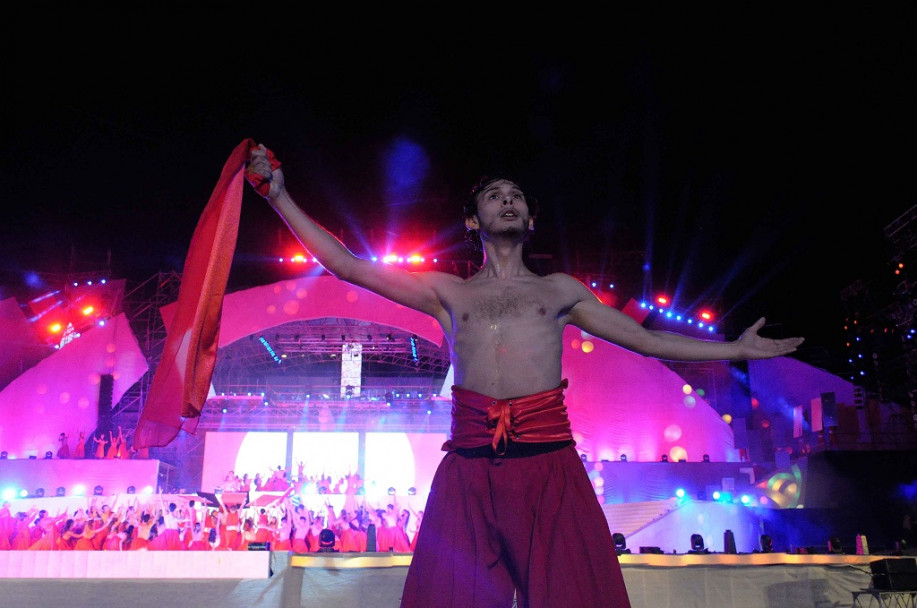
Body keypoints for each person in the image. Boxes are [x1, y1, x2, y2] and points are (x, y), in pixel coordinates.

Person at [246, 144, 804, 608]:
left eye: (516, 197)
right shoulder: (450, 293)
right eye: (494, 195)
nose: (507, 201)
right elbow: (347, 265)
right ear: (473, 220)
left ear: (530, 220)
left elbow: (648, 339)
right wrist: (279, 195)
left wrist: (736, 347)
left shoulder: (557, 291)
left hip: (549, 467)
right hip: (468, 469)